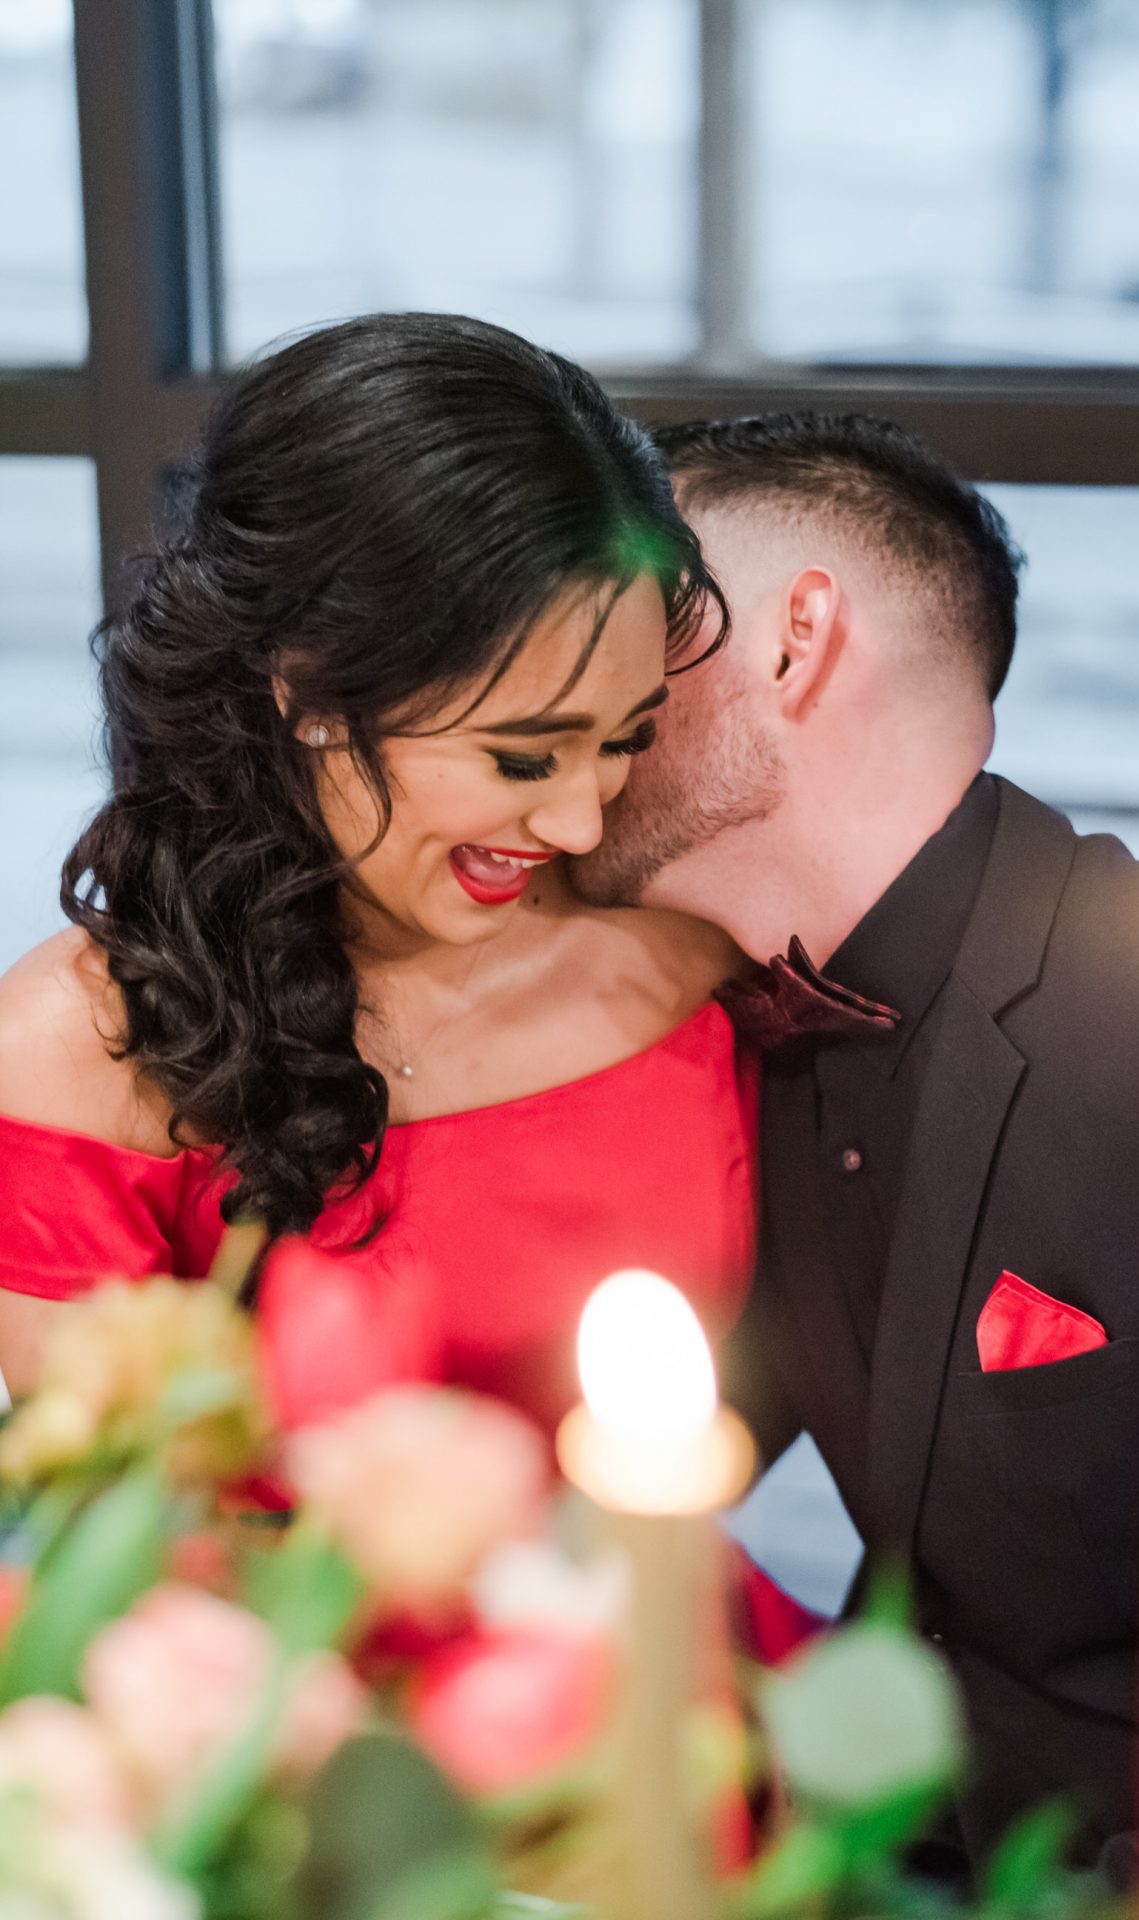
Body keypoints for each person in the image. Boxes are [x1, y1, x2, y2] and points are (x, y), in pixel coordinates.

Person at [573, 411, 1139, 1883]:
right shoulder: (713, 1025)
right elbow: (666, 1432)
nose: (575, 689)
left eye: (634, 625)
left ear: (796, 641)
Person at [0, 313, 757, 1435]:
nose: (580, 825)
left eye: (623, 739)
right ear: (306, 687)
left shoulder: (682, 946)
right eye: (521, 757)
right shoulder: (71, 1056)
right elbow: (113, 1512)